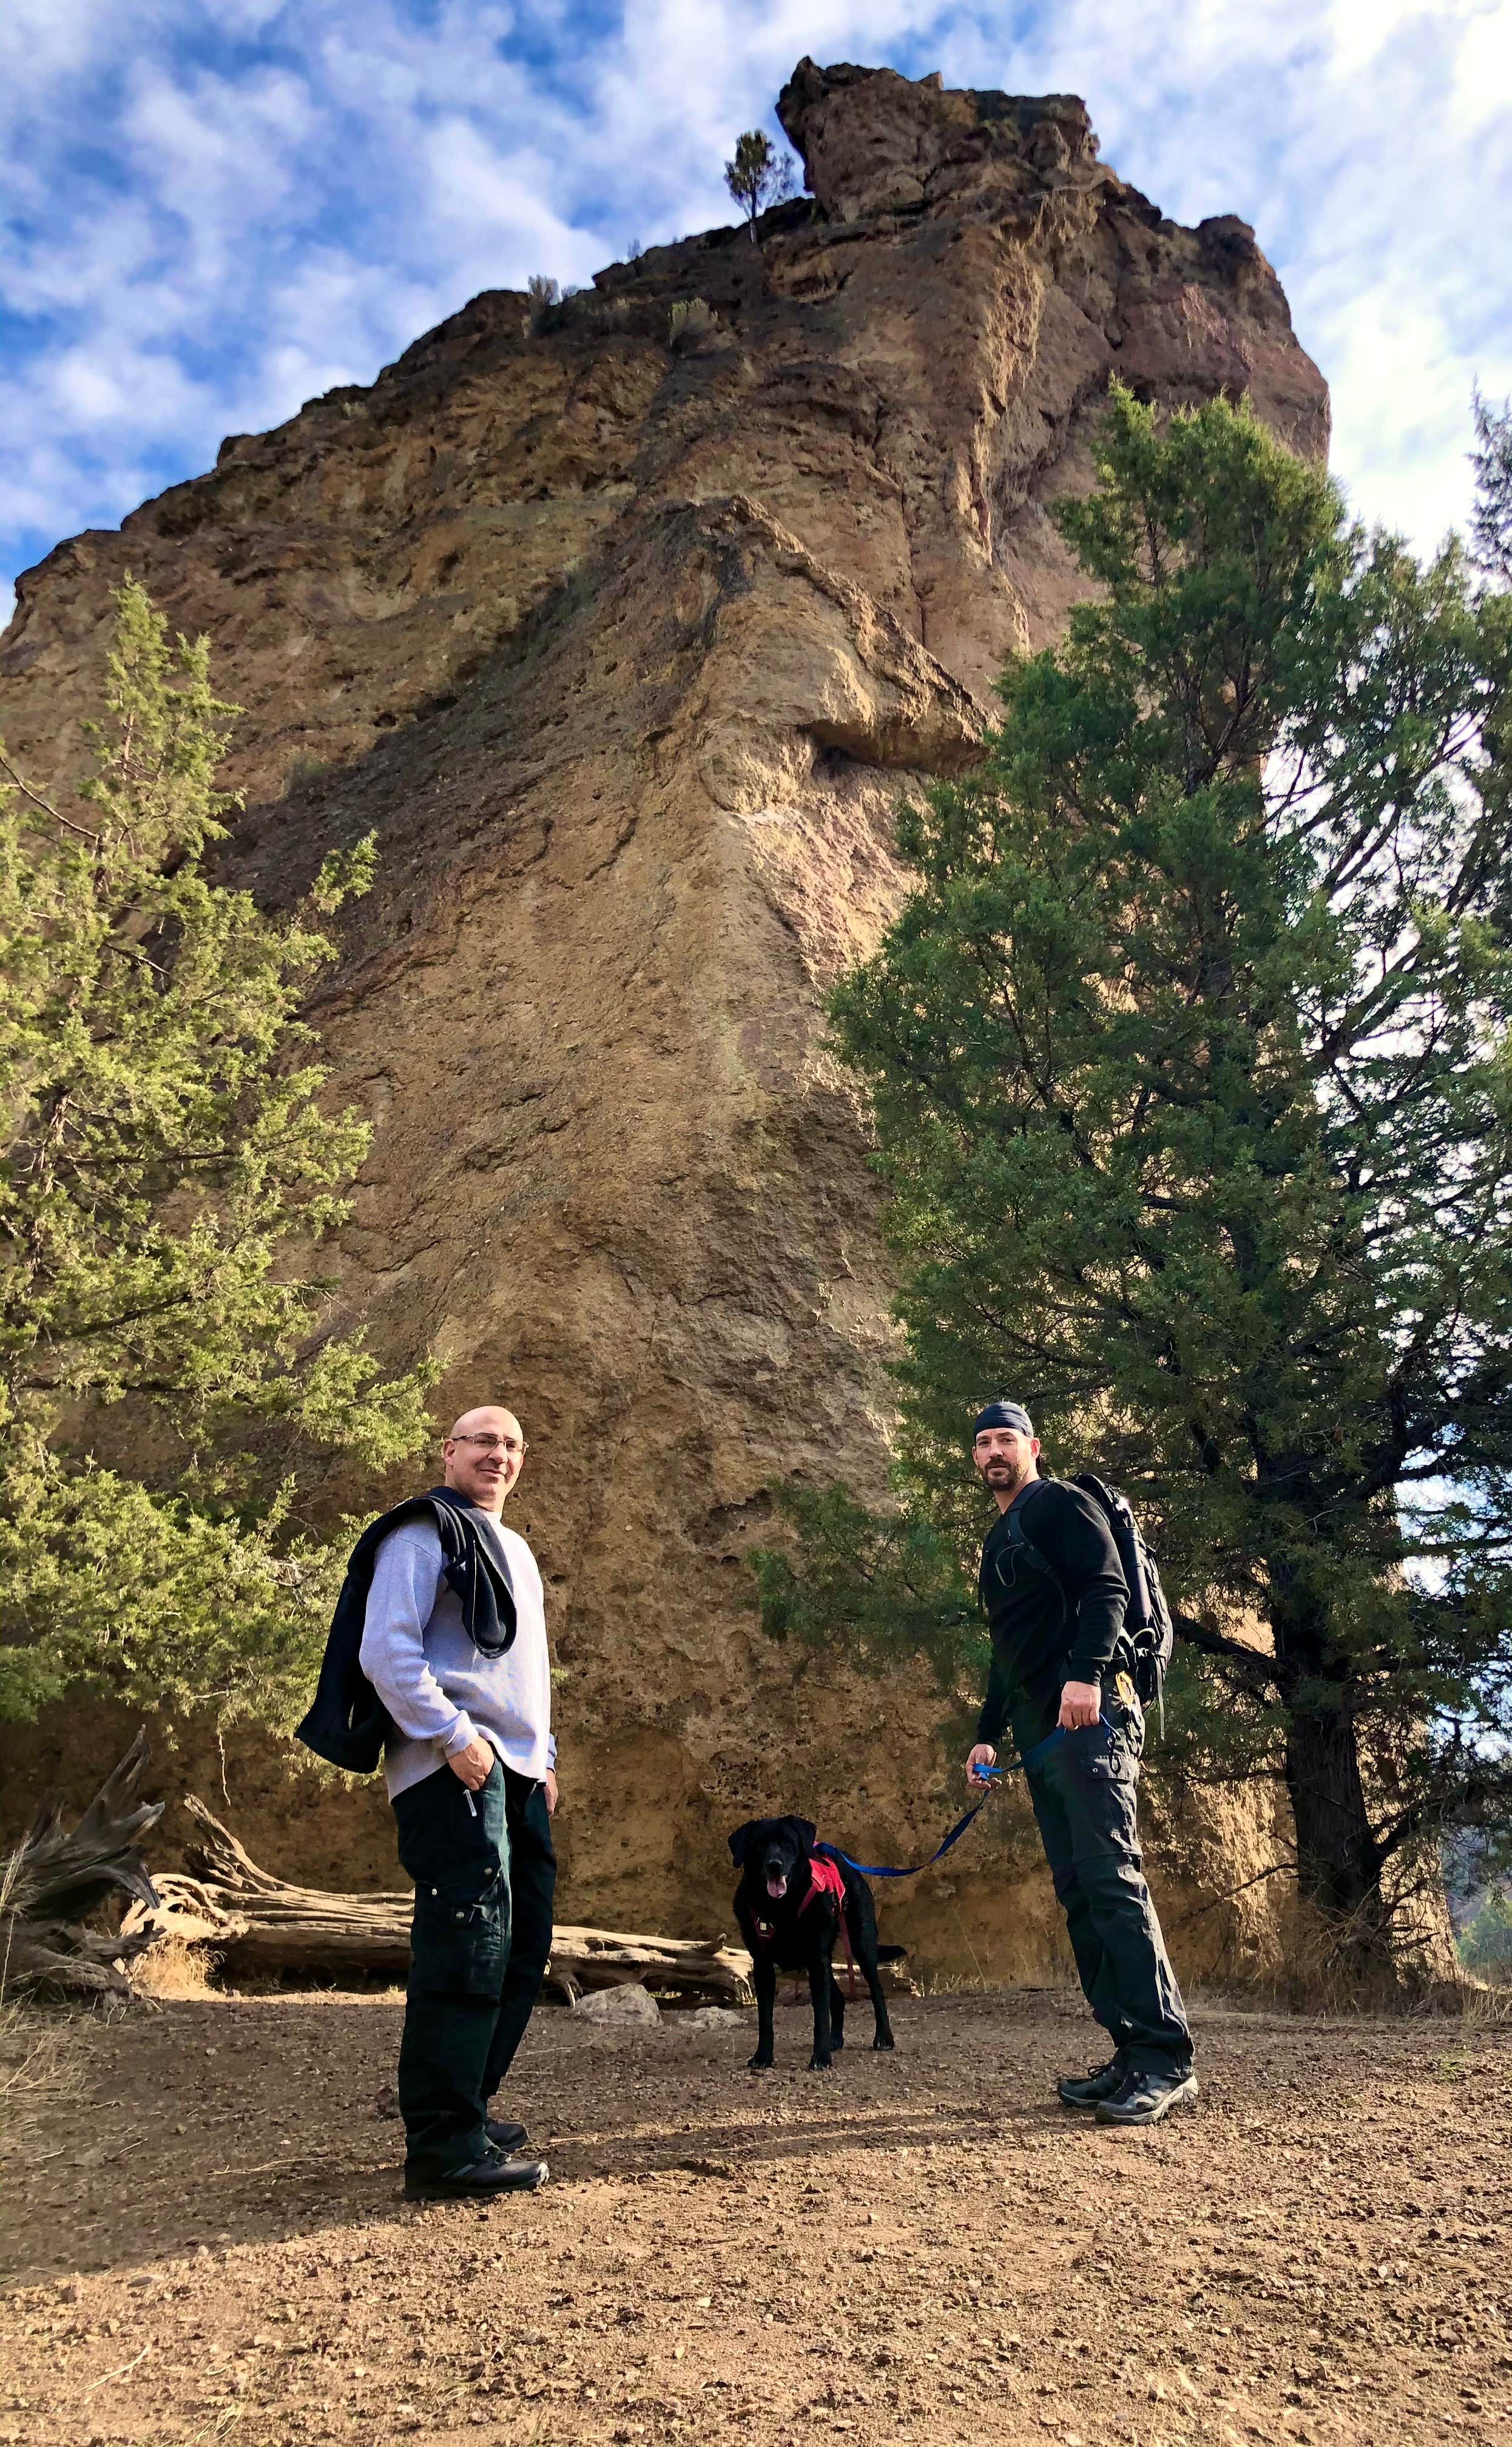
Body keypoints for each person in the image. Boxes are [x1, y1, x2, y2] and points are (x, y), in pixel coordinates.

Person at [963, 1400, 1196, 2127]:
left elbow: (1105, 1586)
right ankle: (1129, 2049)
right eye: (982, 1443)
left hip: (1090, 1719)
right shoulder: (1000, 1536)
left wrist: (1087, 1675)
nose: (994, 1451)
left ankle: (1166, 2058)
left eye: (1006, 1439)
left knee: (1110, 1879)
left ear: (1032, 1446)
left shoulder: (1057, 1502)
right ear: (974, 1459)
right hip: (1040, 1733)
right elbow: (1008, 1650)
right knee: (1079, 1892)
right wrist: (986, 1732)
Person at [359, 1404, 558, 2199]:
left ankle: (468, 2108)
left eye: (512, 1444)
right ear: (448, 1452)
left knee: (523, 1945)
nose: (497, 1454)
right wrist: (451, 1737)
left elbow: (524, 1675)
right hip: (454, 1768)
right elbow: (387, 1649)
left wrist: (542, 1760)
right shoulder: (423, 1531)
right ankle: (443, 2149)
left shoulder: (515, 1548)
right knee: (467, 1945)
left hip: (512, 1769)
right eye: (482, 1441)